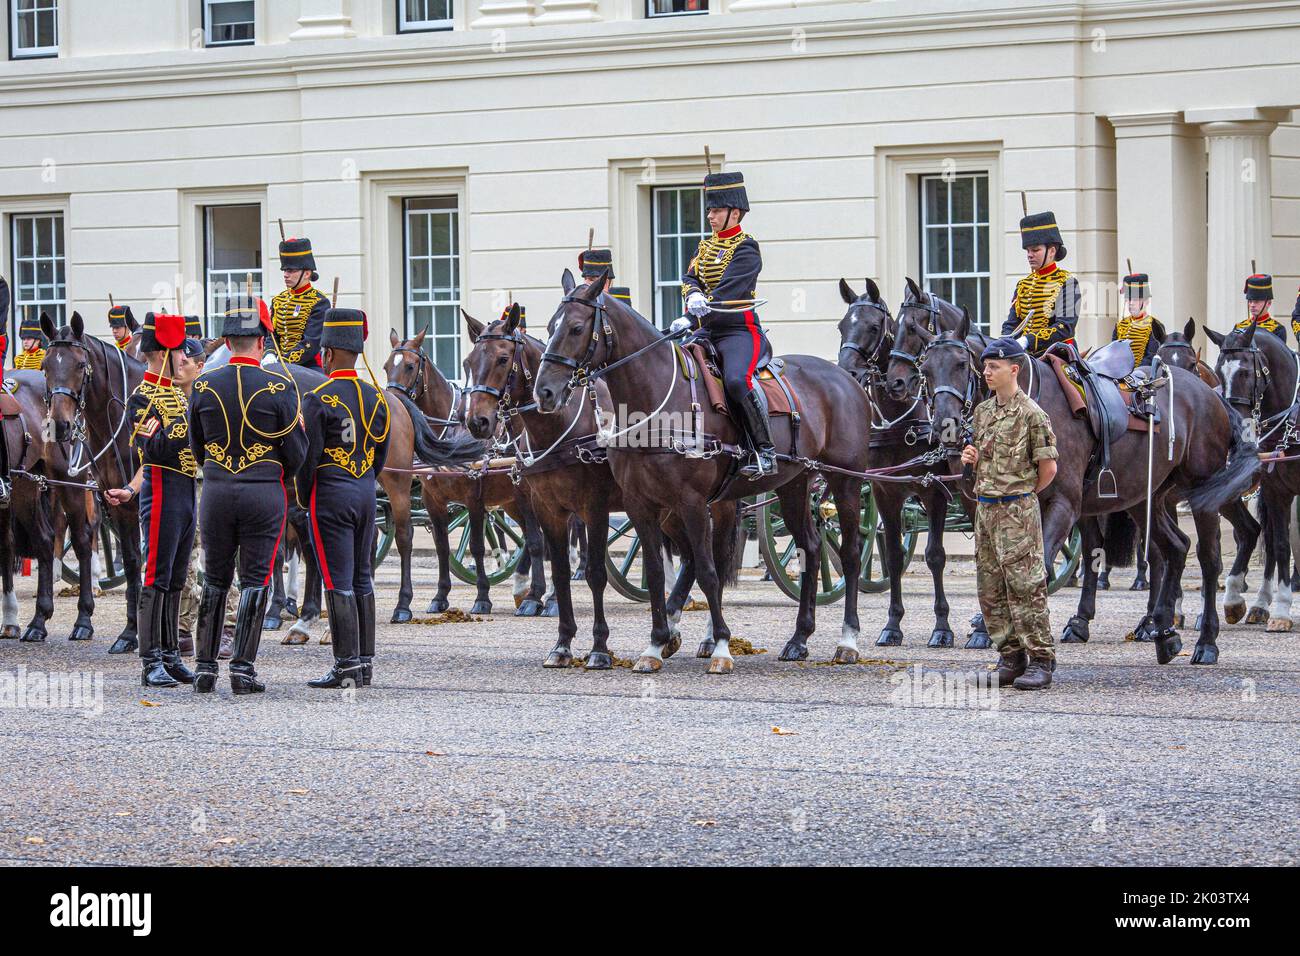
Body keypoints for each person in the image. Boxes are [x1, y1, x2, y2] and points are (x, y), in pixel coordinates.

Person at [189, 299, 307, 694]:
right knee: (255, 579)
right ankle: (242, 669)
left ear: (225, 341)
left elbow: (197, 445)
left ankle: (205, 669)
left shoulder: (204, 384)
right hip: (262, 491)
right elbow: (296, 452)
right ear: (261, 343)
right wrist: (275, 472)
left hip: (218, 491)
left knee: (215, 578)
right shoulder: (279, 386)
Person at [960, 337, 1059, 691]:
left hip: (1017, 509)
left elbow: (1047, 468)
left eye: (994, 367)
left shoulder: (1032, 414)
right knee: (990, 587)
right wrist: (970, 460)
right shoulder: (983, 412)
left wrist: (1022, 494)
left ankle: (1042, 659)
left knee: (1026, 585)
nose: (986, 372)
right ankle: (1010, 657)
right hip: (985, 509)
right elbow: (981, 457)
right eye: (985, 367)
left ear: (1013, 370)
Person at [297, 309, 390, 688]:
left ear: (329, 354)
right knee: (362, 577)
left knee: (337, 581)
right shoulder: (376, 397)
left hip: (330, 493)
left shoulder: (317, 397)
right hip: (365, 490)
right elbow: (381, 454)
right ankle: (365, 663)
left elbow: (308, 457)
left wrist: (305, 497)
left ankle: (345, 664)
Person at [105, 313, 199, 688]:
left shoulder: (178, 392)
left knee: (176, 576)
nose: (182, 357)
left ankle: (171, 652)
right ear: (162, 353)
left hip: (186, 486)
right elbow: (152, 447)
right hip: (161, 487)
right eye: (177, 350)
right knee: (156, 575)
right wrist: (188, 425)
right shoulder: (143, 396)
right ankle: (150, 659)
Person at [673, 169, 775, 478]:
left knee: (735, 380)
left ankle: (764, 450)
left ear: (735, 212)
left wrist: (693, 314)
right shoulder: (704, 249)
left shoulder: (746, 249)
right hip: (705, 331)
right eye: (709, 210)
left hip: (738, 331)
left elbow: (727, 293)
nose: (710, 216)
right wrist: (691, 295)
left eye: (715, 210)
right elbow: (690, 278)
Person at [1003, 210, 1079, 357]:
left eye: (1035, 250)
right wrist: (1006, 341)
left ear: (1051, 251)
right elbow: (1012, 323)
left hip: (1057, 353)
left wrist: (1028, 340)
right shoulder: (1023, 285)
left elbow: (1065, 327)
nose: (1030, 255)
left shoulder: (1067, 283)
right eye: (1028, 251)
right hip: (1022, 354)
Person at [269, 237, 328, 367]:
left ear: (306, 274)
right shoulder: (277, 300)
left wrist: (283, 362)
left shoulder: (319, 302)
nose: (285, 274)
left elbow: (311, 342)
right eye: (284, 270)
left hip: (307, 365)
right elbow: (271, 335)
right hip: (275, 363)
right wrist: (269, 354)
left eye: (291, 271)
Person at [1111, 272, 1166, 367]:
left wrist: (1133, 372)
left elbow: (1151, 357)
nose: (1131, 303)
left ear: (1146, 301)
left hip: (1142, 375)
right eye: (1129, 299)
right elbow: (1112, 352)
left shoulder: (1155, 325)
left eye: (1135, 299)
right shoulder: (1120, 325)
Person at [1234, 273, 1285, 342]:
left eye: (1256, 301)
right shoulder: (1239, 327)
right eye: (1250, 301)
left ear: (1268, 303)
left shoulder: (1277, 329)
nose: (1252, 305)